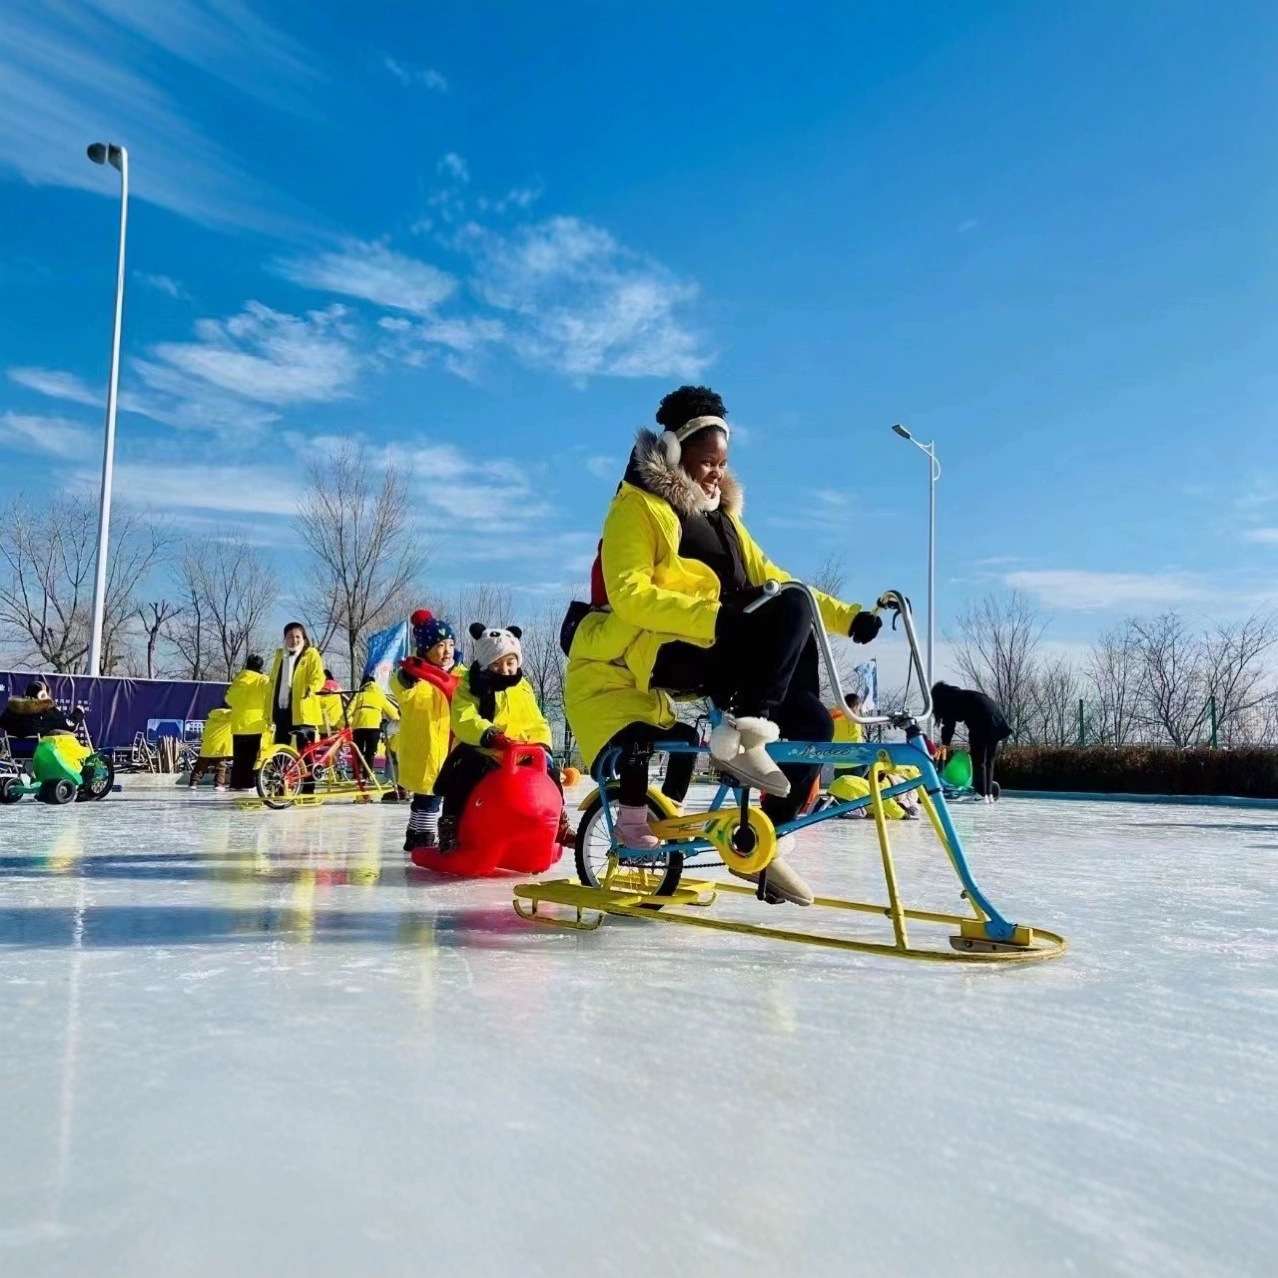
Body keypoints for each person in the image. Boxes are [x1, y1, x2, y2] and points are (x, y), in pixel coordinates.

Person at [564, 385, 881, 906]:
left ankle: (760, 845)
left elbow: (779, 580)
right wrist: (715, 618)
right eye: (706, 460)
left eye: (723, 462)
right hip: (673, 648)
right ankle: (740, 733)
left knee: (812, 722)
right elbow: (630, 595)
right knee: (788, 612)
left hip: (728, 645)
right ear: (673, 452)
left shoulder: (725, 518)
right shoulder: (637, 508)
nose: (715, 471)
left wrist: (850, 617)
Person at [436, 623, 575, 852]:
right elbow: (464, 716)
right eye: (497, 664)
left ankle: (558, 822)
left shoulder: (523, 687)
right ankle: (451, 826)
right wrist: (490, 734)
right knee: (464, 774)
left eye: (510, 663)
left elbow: (536, 720)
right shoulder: (472, 685)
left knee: (551, 774)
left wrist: (542, 745)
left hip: (522, 750)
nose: (505, 669)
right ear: (485, 664)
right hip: (483, 748)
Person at [394, 610, 463, 852]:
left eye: (451, 644)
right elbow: (401, 689)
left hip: (453, 745)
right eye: (440, 645)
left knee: (441, 794)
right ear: (425, 648)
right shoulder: (416, 675)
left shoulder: (461, 674)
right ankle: (422, 836)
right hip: (427, 746)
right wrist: (408, 677)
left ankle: (415, 834)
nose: (447, 651)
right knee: (429, 795)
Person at [265, 622, 326, 793]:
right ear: (285, 638)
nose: (294, 640)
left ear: (304, 638)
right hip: (282, 708)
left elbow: (318, 676)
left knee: (305, 751)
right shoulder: (280, 656)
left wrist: (311, 687)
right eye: (290, 636)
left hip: (303, 710)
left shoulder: (310, 654)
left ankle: (308, 789)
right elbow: (273, 683)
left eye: (298, 636)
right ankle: (278, 786)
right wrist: (267, 710)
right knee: (280, 749)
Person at [931, 681, 1012, 803]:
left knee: (979, 760)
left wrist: (945, 744)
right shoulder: (961, 695)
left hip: (981, 719)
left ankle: (980, 793)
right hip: (996, 720)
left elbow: (949, 726)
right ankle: (988, 794)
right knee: (989, 761)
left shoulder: (949, 700)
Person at [225, 654, 269, 791]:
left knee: (239, 758)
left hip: (238, 725)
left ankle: (236, 783)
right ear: (260, 666)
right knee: (252, 758)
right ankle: (249, 784)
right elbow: (270, 693)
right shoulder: (262, 679)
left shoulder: (238, 680)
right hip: (255, 723)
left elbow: (228, 700)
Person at [348, 674, 400, 784]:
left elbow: (349, 710)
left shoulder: (359, 695)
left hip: (358, 726)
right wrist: (399, 719)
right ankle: (368, 775)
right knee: (370, 753)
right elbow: (391, 710)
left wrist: (343, 723)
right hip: (373, 727)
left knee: (358, 751)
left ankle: (356, 775)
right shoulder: (379, 695)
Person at [0, 680, 83, 739]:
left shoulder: (12, 710)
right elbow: (70, 726)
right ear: (43, 695)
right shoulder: (47, 711)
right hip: (40, 754)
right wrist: (79, 712)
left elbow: (3, 723)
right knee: (68, 735)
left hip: (16, 752)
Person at [188, 707, 233, 790]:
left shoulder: (211, 719)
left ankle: (193, 783)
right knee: (221, 767)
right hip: (220, 747)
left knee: (200, 767)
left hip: (207, 747)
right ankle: (218, 785)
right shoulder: (230, 717)